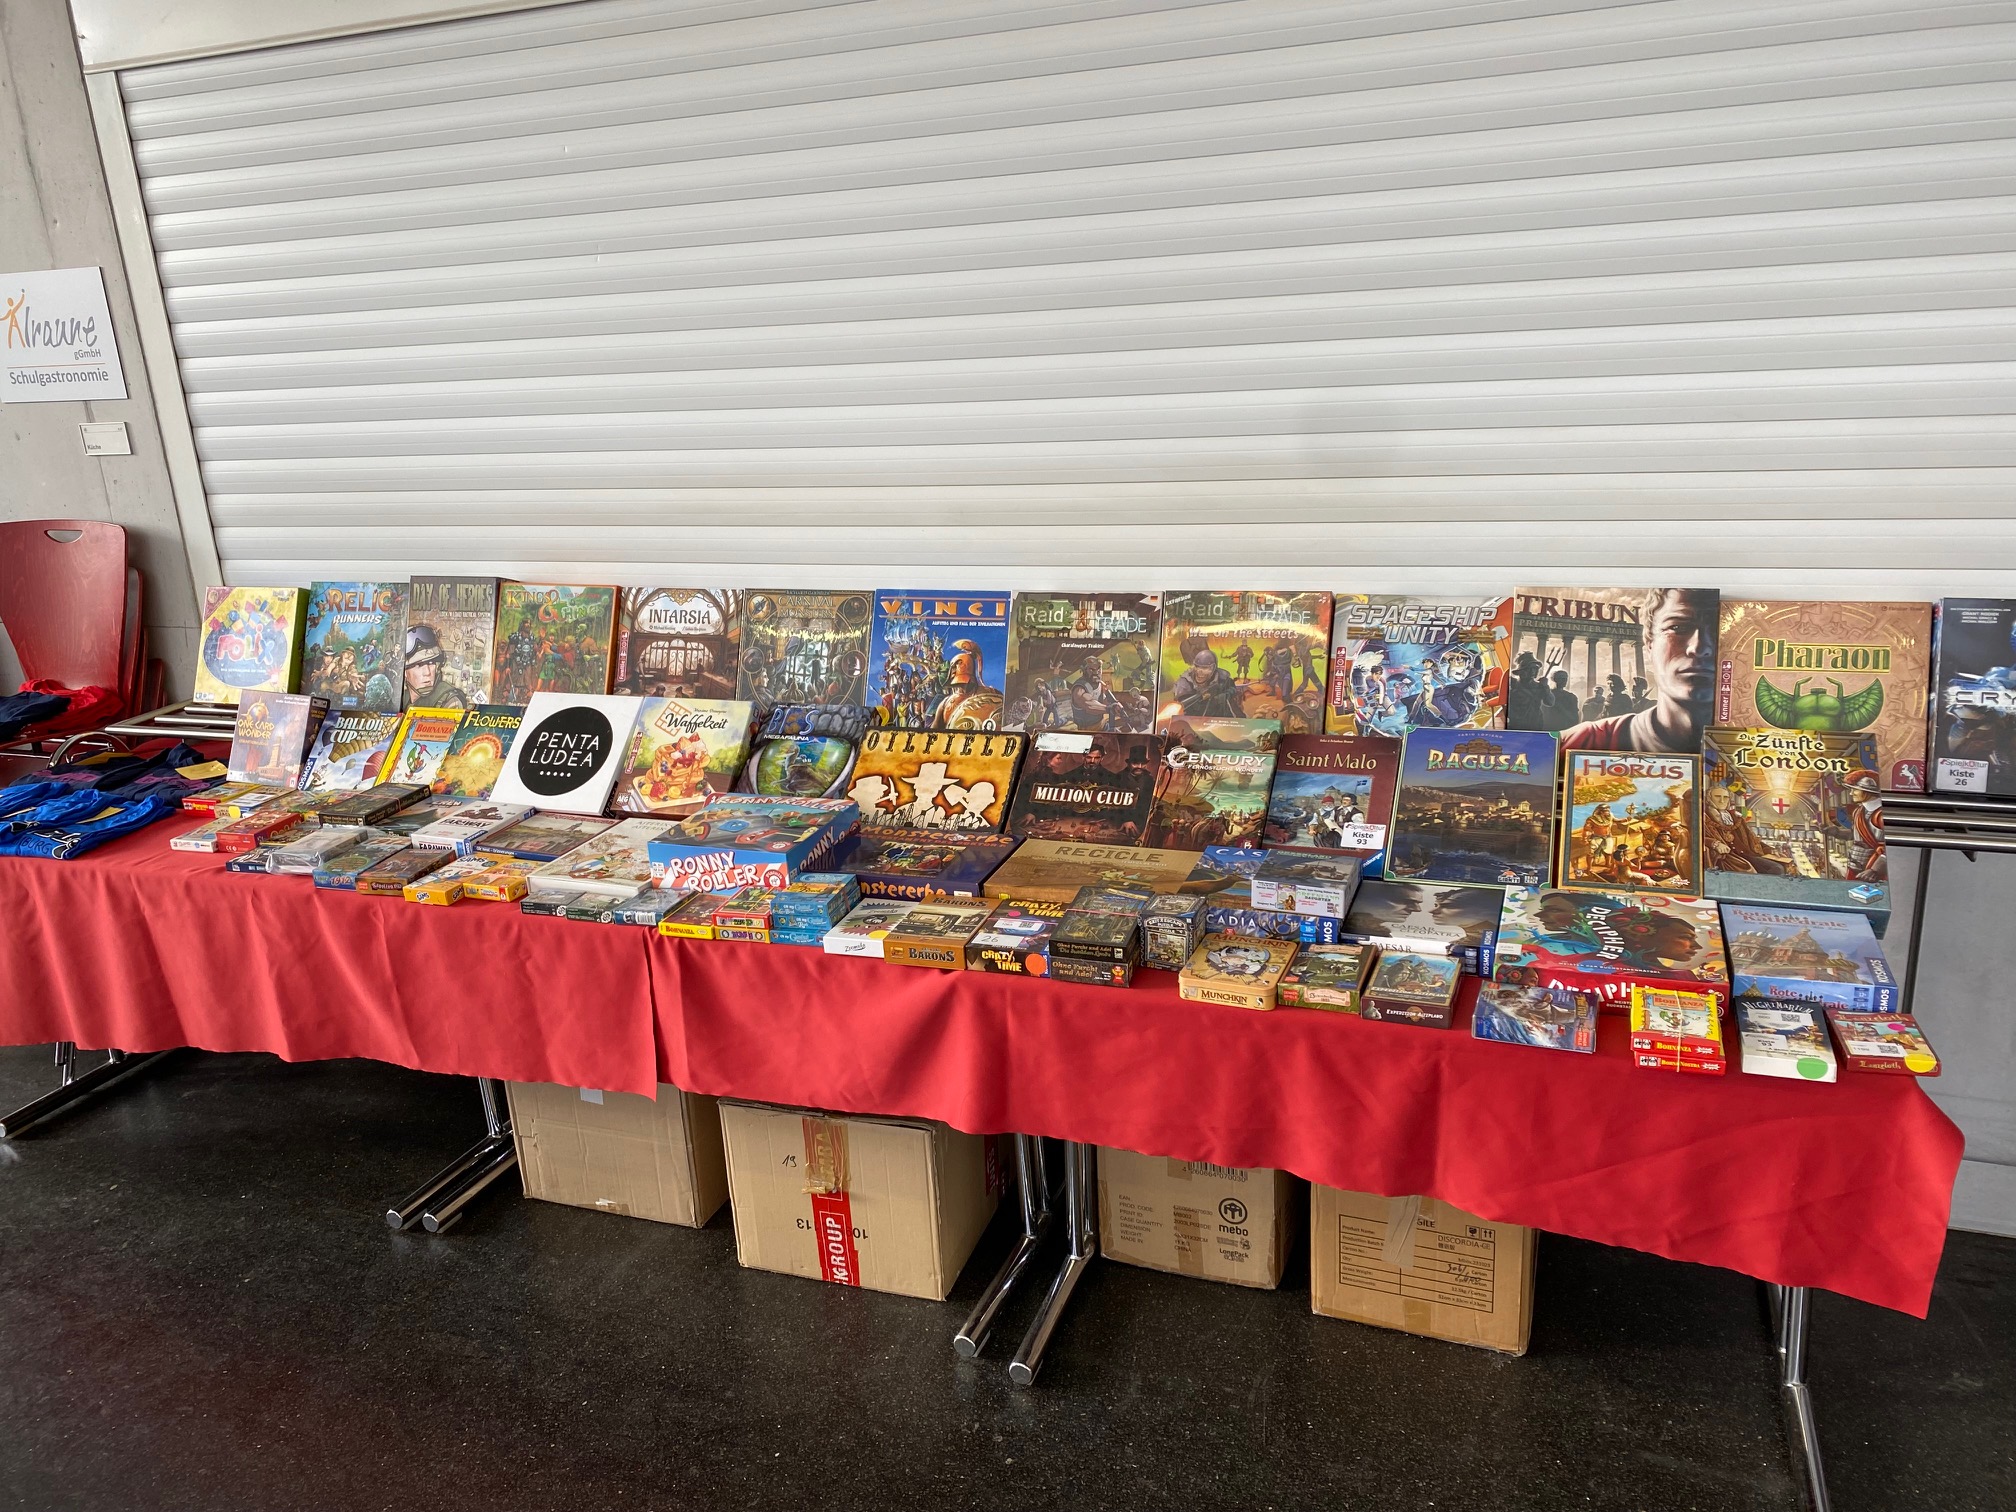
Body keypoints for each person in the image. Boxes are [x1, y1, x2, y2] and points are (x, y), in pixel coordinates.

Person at [1560, 589, 1717, 752]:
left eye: (1717, 631)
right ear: (1649, 644)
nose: (1699, 648)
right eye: (1678, 627)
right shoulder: (1581, 740)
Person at [1166, 648, 1243, 718]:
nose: (1199, 671)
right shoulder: (1185, 683)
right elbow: (1181, 709)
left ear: (1213, 668)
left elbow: (1232, 689)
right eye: (1197, 666)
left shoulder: (1222, 678)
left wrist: (1224, 696)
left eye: (1205, 668)